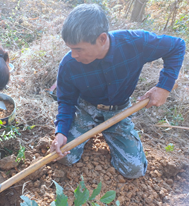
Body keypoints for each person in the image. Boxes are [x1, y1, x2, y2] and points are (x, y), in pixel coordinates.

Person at [50, 4, 185, 178]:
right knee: (64, 158)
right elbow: (66, 101)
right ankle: (84, 130)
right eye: (70, 48)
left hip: (119, 111)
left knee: (134, 170)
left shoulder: (135, 43)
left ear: (102, 39)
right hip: (85, 109)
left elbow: (177, 46)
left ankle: (110, 133)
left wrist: (164, 87)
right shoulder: (69, 64)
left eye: (79, 49)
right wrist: (61, 132)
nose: (73, 55)